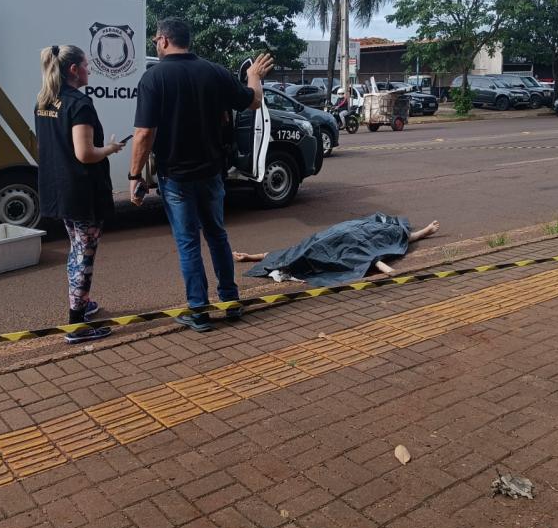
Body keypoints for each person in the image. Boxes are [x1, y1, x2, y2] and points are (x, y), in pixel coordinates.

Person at [129, 18, 273, 332]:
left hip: (176, 177)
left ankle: (199, 311)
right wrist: (252, 76)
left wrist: (134, 176)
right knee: (218, 236)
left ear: (164, 41)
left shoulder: (154, 78)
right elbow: (255, 101)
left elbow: (143, 134)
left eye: (156, 40)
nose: (156, 44)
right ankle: (230, 301)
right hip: (212, 173)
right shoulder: (215, 72)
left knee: (189, 244)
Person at [35, 44, 123, 344]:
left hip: (59, 189)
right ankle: (77, 324)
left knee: (75, 250)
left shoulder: (45, 101)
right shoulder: (79, 104)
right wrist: (110, 149)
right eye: (86, 65)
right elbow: (85, 153)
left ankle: (81, 303)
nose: (89, 70)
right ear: (73, 69)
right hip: (82, 192)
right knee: (84, 255)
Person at [233, 214, 440, 285]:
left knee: (300, 251)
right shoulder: (310, 254)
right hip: (342, 235)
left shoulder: (380, 234)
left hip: (348, 232)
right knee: (300, 251)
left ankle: (423, 232)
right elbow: (372, 258)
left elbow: (372, 257)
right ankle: (423, 232)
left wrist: (252, 256)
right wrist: (251, 256)